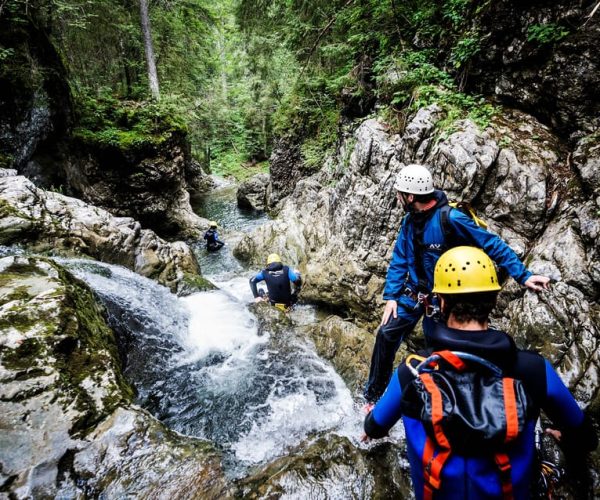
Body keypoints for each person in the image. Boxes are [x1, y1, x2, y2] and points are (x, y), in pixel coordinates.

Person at [363, 246, 597, 499]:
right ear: (494, 300)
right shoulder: (533, 370)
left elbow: (373, 428)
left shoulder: (413, 371)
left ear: (441, 302)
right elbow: (586, 438)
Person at [363, 163, 550, 406]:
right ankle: (373, 398)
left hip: (445, 297)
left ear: (410, 196)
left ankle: (439, 401)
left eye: (400, 194)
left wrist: (523, 275)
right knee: (386, 333)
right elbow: (400, 259)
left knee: (438, 348)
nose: (397, 197)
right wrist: (391, 297)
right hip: (416, 294)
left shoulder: (452, 219)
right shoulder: (410, 221)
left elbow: (491, 244)